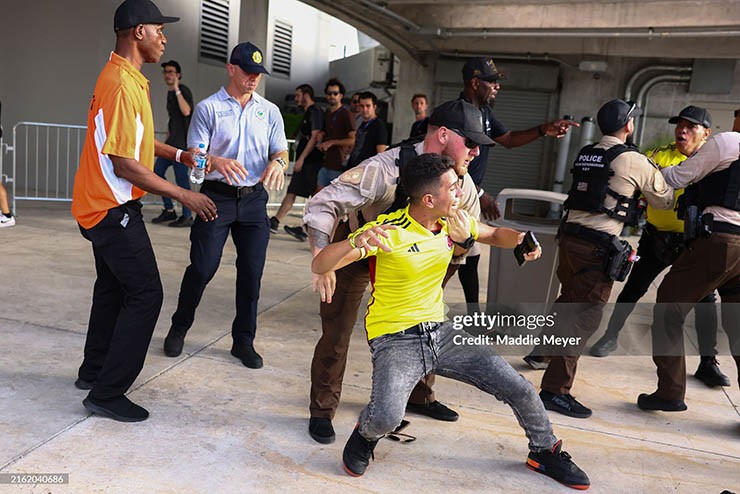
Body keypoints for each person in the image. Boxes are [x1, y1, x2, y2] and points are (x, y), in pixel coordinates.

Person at [312, 153, 589, 490]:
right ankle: (366, 433)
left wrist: (520, 240)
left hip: (442, 332)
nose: (460, 192)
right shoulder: (388, 231)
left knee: (520, 389)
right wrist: (353, 240)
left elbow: (493, 233)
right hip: (396, 339)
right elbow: (321, 264)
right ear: (429, 199)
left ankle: (545, 451)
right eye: (454, 188)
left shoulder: (452, 221)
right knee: (387, 417)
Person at [303, 100, 489, 445]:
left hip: (416, 259)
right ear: (444, 135)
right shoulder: (386, 168)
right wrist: (322, 259)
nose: (477, 152)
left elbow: (472, 235)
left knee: (424, 327)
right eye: (472, 143)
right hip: (363, 248)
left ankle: (419, 396)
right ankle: (322, 409)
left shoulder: (461, 184)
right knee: (337, 328)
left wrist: (447, 267)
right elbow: (322, 203)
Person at [71, 0, 220, 422]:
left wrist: (179, 154)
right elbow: (123, 161)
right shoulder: (120, 83)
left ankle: (93, 371)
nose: (164, 37)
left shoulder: (126, 77)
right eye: (159, 29)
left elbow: (133, 141)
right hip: (111, 206)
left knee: (113, 289)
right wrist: (184, 195)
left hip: (98, 203)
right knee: (146, 294)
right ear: (138, 32)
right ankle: (107, 391)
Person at [535, 99, 674, 419]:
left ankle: (541, 353)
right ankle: (555, 391)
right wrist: (657, 172)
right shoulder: (633, 159)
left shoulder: (588, 152)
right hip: (597, 246)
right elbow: (664, 199)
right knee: (584, 315)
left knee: (568, 299)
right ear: (629, 125)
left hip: (569, 238)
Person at [162, 41, 289, 369]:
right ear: (231, 69)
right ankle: (179, 327)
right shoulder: (208, 108)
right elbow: (196, 156)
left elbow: (280, 151)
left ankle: (243, 341)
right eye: (247, 72)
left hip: (253, 202)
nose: (253, 79)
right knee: (202, 267)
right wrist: (216, 162)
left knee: (251, 273)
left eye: (258, 74)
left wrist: (278, 163)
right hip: (216, 198)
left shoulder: (269, 111)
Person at [589, 106, 730, 387]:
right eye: (680, 125)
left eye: (691, 126)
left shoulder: (714, 162)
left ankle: (707, 363)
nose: (682, 130)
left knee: (705, 301)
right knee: (634, 286)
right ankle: (611, 336)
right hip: (656, 237)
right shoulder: (657, 155)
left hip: (695, 243)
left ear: (706, 133)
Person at [455, 57, 579, 312]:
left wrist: (544, 129)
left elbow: (509, 139)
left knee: (467, 255)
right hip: (454, 196)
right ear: (475, 83)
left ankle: (471, 315)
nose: (497, 87)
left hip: (468, 198)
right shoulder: (459, 114)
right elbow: (447, 162)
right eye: (492, 82)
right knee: (456, 256)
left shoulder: (483, 112)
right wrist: (479, 193)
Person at [638, 107, 740, 413]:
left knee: (669, 308)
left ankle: (669, 392)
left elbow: (681, 175)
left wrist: (648, 172)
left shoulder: (729, 142)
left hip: (719, 241)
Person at [270, 84, 323, 241]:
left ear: (306, 95)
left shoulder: (315, 112)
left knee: (316, 197)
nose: (296, 98)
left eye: (298, 95)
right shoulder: (308, 113)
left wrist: (301, 159)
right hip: (305, 162)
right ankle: (275, 221)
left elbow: (314, 136)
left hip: (311, 162)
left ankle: (308, 229)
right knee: (292, 191)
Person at [151, 59, 195, 227]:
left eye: (171, 72)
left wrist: (176, 88)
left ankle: (187, 215)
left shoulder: (182, 91)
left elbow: (186, 111)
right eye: (166, 72)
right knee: (157, 173)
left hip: (182, 145)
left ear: (178, 75)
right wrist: (167, 138)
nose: (167, 75)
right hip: (171, 143)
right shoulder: (169, 94)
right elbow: (173, 119)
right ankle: (169, 210)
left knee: (182, 180)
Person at [315, 79, 355, 189]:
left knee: (334, 200)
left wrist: (332, 142)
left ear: (341, 95)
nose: (332, 96)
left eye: (335, 93)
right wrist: (321, 135)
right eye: (329, 93)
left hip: (339, 165)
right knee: (318, 197)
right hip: (326, 162)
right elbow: (326, 131)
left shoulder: (346, 114)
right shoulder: (328, 113)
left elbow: (352, 139)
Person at [345, 91, 388, 169]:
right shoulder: (363, 124)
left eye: (368, 106)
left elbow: (381, 154)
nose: (364, 109)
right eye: (362, 106)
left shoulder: (379, 126)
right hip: (354, 168)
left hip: (366, 171)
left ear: (374, 107)